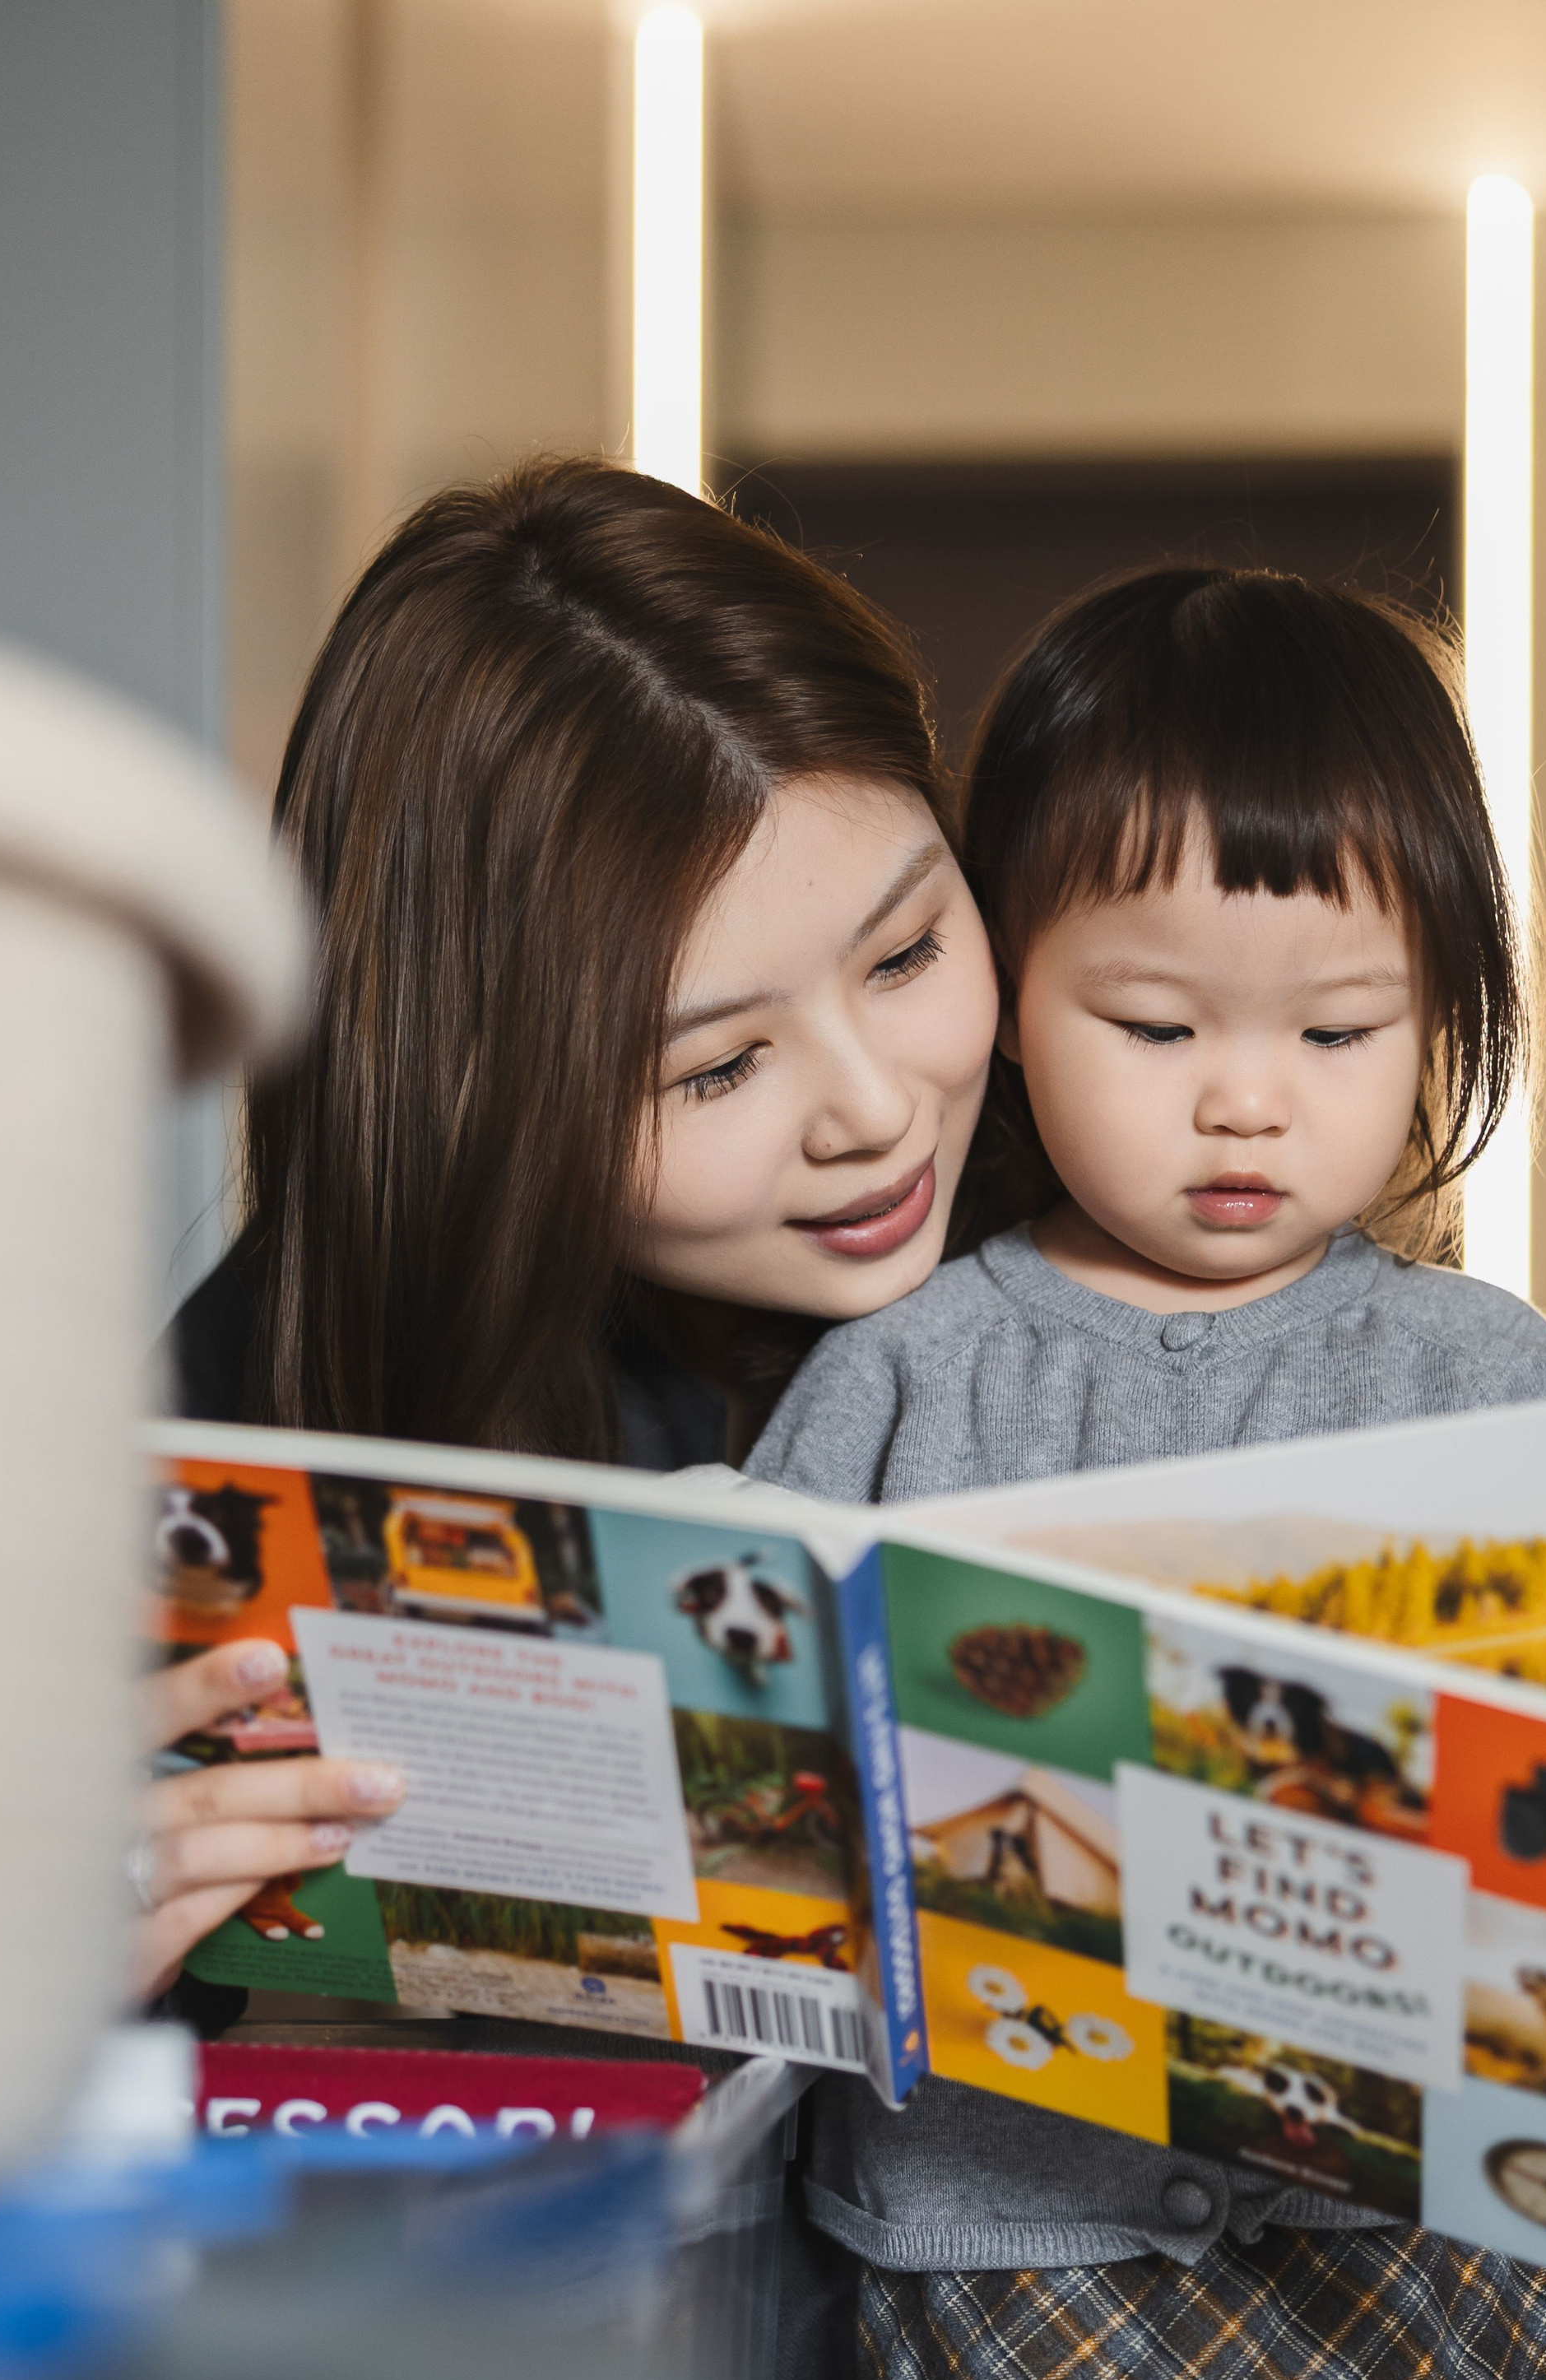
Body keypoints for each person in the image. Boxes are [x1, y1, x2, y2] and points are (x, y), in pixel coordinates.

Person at [746, 568, 1546, 2380]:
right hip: (1018, 2285)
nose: (1244, 1104)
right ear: (1008, 981)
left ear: (1450, 1016)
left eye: (1340, 1032)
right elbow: (754, 1822)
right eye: (1157, 1029)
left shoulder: (1495, 1384)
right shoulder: (892, 1381)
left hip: (1405, 2302)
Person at [137, 455, 996, 2006]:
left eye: (910, 949)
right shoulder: (226, 1442)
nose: (875, 1109)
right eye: (719, 1065)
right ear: (487, 1105)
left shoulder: (1142, 1219)